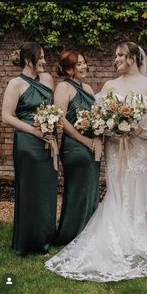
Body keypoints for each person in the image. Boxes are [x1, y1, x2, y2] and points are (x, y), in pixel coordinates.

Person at [45, 41, 147, 281]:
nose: (115, 59)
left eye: (120, 55)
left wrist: (139, 129)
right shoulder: (109, 86)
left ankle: (141, 232)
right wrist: (114, 128)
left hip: (141, 146)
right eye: (115, 55)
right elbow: (98, 117)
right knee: (117, 186)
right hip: (116, 146)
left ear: (133, 59)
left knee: (140, 181)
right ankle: (116, 233)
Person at [2, 42, 57, 255]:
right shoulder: (15, 84)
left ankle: (45, 237)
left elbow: (52, 109)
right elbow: (6, 116)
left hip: (47, 140)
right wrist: (33, 131)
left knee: (47, 189)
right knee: (29, 190)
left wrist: (51, 126)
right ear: (28, 60)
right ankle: (27, 241)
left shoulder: (48, 80)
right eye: (40, 57)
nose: (44, 61)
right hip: (27, 142)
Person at [53, 51, 100, 245]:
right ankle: (71, 234)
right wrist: (84, 140)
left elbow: (98, 116)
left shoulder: (88, 88)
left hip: (92, 145)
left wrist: (97, 138)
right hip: (74, 147)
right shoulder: (63, 87)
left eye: (84, 62)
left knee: (91, 189)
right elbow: (61, 118)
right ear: (67, 69)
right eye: (78, 64)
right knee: (77, 190)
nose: (83, 67)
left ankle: (89, 233)